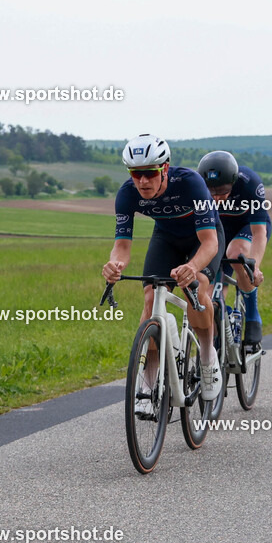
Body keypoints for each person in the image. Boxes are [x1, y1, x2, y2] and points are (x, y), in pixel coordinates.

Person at [102, 134, 226, 408]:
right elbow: (121, 246)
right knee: (150, 299)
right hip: (166, 237)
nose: (142, 181)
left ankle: (207, 357)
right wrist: (115, 265)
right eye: (136, 174)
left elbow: (210, 243)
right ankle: (148, 380)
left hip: (203, 236)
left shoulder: (192, 184)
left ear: (165, 169)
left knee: (197, 288)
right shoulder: (126, 194)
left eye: (149, 173)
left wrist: (192, 267)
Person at [196, 151, 269, 345]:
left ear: (234, 181)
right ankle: (222, 324)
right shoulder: (196, 187)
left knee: (236, 254)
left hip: (247, 227)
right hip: (219, 231)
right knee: (209, 298)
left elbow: (259, 232)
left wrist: (254, 266)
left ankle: (253, 315)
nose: (217, 198)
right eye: (212, 192)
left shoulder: (249, 182)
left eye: (223, 192)